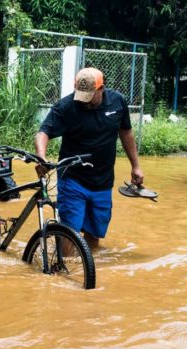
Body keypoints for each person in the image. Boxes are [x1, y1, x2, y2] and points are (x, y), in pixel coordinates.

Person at [35, 67, 144, 249]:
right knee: (70, 233)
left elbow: (126, 133)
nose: (84, 101)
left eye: (89, 96)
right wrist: (41, 157)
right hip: (73, 179)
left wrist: (136, 166)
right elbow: (43, 133)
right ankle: (63, 272)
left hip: (103, 181)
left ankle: (87, 269)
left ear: (101, 89)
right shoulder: (67, 106)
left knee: (94, 234)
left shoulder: (117, 102)